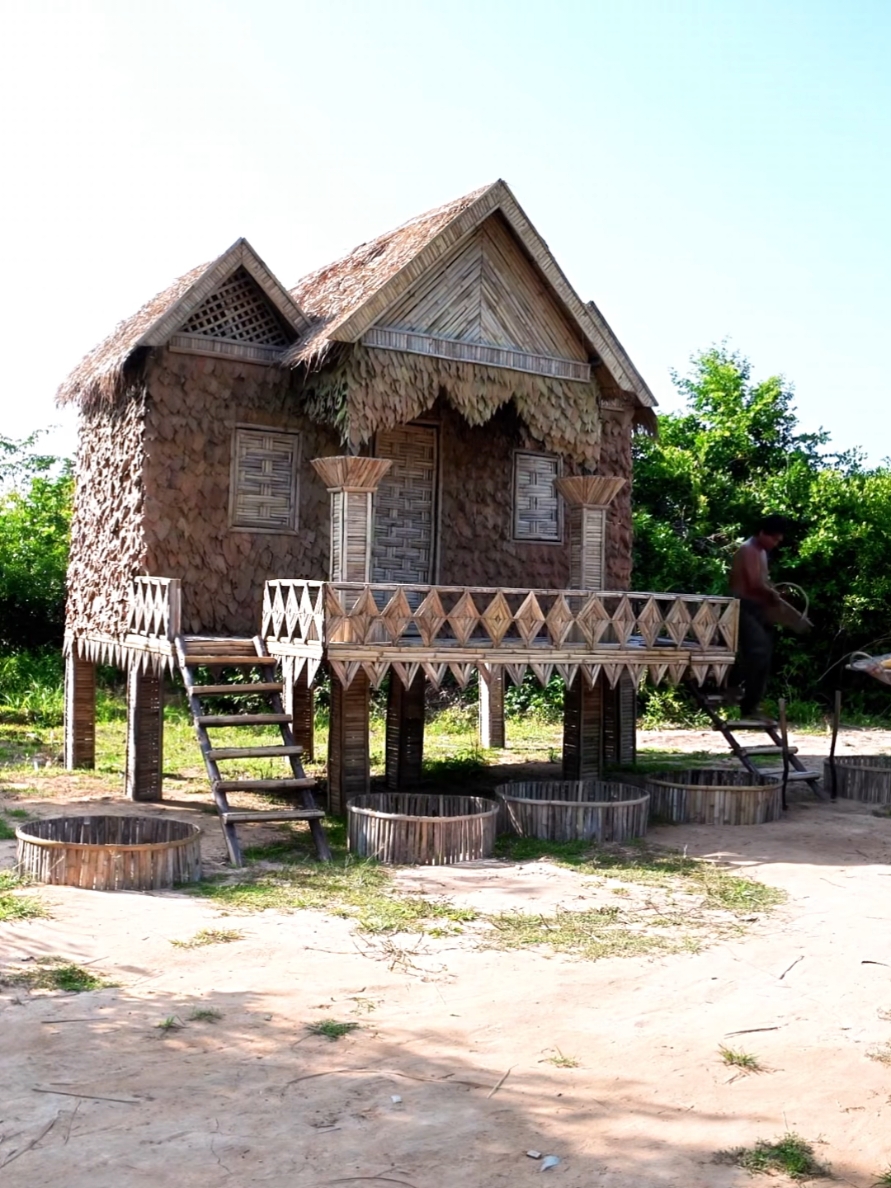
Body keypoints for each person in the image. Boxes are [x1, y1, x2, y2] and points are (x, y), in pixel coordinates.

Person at [728, 514, 790, 719]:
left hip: (757, 608)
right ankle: (738, 694)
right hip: (743, 606)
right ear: (763, 533)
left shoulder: (762, 552)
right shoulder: (748, 549)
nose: (776, 543)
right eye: (774, 538)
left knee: (764, 654)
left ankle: (751, 704)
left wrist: (776, 595)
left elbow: (764, 580)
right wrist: (773, 594)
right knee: (758, 651)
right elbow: (755, 583)